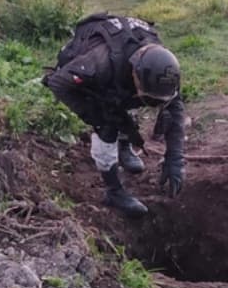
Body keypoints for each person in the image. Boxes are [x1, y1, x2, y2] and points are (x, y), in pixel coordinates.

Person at [44, 13, 185, 217]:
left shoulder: (163, 67)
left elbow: (175, 108)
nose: (152, 105)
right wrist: (94, 117)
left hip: (122, 73)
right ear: (134, 74)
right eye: (150, 99)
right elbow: (58, 82)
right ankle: (113, 191)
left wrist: (175, 158)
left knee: (126, 101)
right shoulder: (99, 63)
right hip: (84, 75)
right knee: (108, 121)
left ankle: (125, 147)